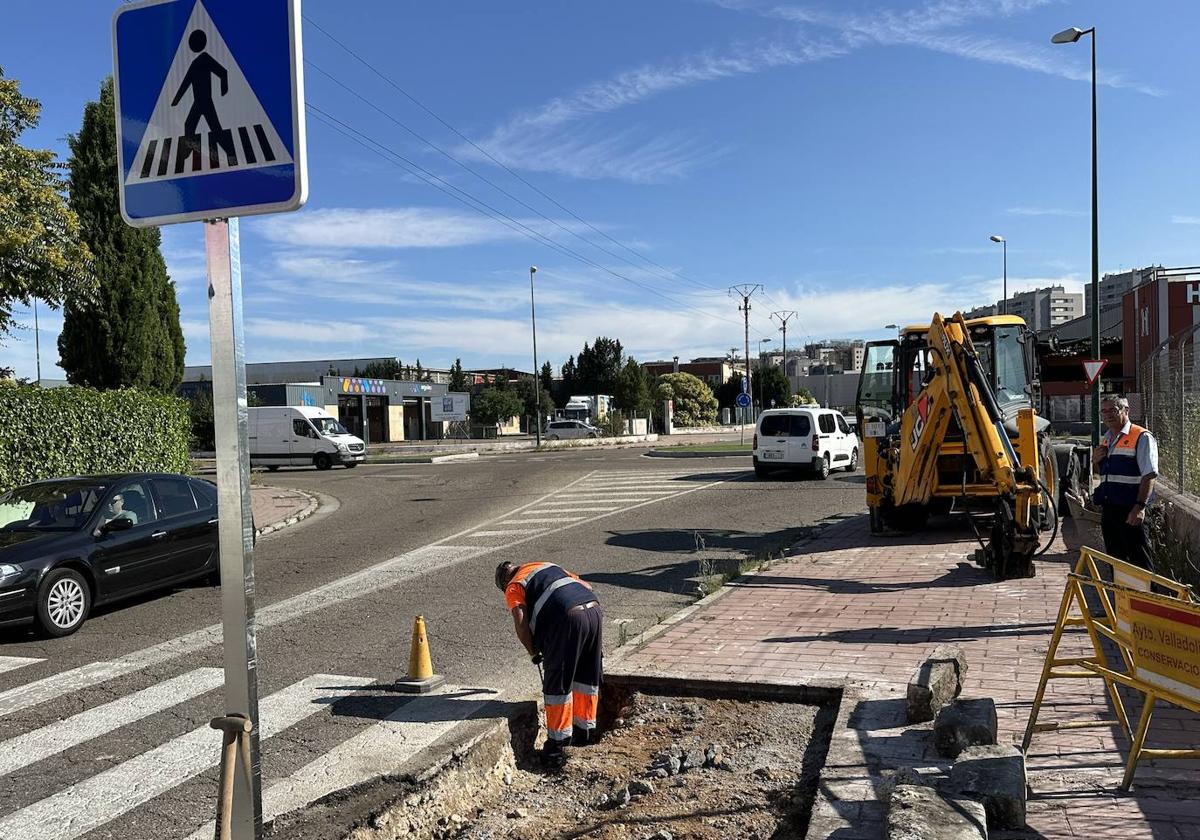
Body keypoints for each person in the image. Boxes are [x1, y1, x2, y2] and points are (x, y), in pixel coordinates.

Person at [495, 561, 602, 766]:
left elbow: (520, 618)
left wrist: (533, 651)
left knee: (558, 684)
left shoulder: (514, 585)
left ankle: (558, 746)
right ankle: (585, 733)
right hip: (594, 610)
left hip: (568, 618)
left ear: (504, 581)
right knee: (586, 677)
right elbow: (586, 586)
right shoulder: (544, 566)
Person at [1092, 395, 1157, 570]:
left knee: (1140, 563)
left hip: (1131, 510)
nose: (1107, 415)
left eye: (1113, 410)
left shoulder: (1141, 436)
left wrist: (1139, 507)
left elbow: (1149, 475)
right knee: (1116, 562)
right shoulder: (1107, 438)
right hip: (1110, 509)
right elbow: (1106, 474)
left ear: (1125, 411)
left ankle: (1148, 597)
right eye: (1103, 411)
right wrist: (1096, 463)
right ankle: (1122, 597)